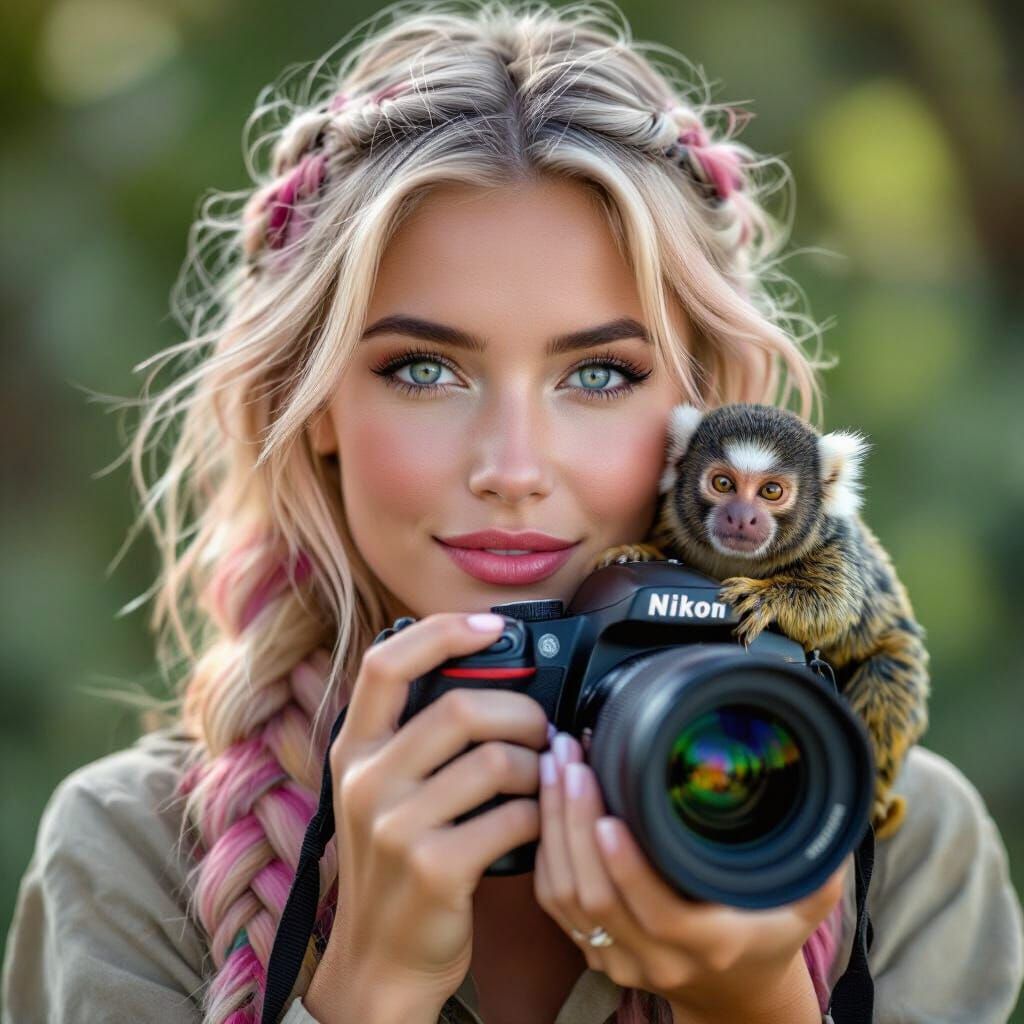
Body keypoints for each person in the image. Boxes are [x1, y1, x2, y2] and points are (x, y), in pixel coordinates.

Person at [3, 1, 1022, 1022]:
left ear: (703, 412)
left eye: (598, 374)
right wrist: (369, 989)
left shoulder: (893, 835)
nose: (512, 468)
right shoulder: (134, 853)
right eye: (423, 368)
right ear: (312, 408)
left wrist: (754, 1001)